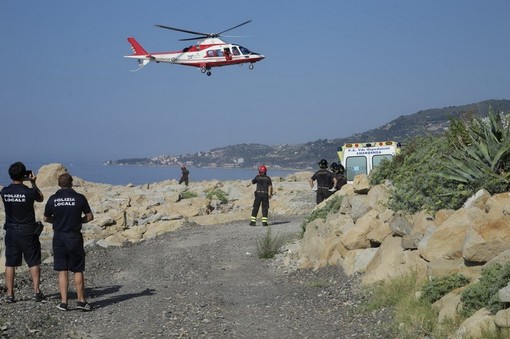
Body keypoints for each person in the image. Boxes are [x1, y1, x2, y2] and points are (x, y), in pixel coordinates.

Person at [43, 173, 94, 312]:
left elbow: (46, 218)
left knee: (62, 269)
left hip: (59, 236)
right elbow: (89, 217)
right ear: (71, 183)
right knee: (77, 269)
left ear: (59, 184)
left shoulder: (53, 199)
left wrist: (57, 221)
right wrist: (78, 221)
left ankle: (64, 302)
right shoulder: (79, 198)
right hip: (74, 236)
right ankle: (81, 301)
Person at [1, 161, 45, 303]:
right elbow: (41, 198)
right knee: (33, 261)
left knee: (10, 263)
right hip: (27, 230)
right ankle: (36, 291)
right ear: (24, 175)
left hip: (11, 230)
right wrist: (33, 182)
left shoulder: (5, 191)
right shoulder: (29, 192)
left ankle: (10, 294)